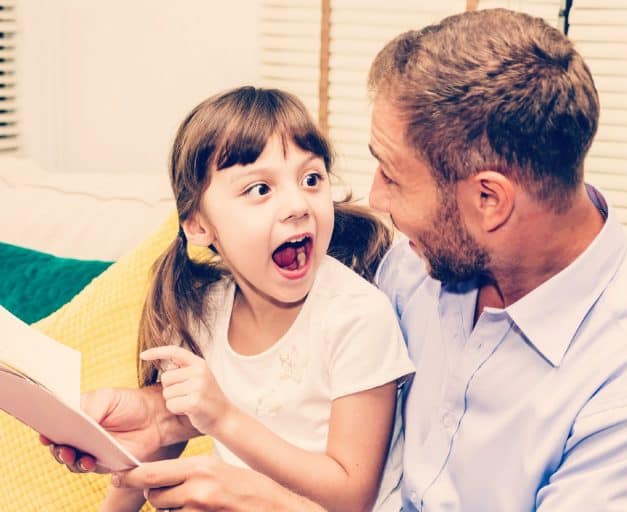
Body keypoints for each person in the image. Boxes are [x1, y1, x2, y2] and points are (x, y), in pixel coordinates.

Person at [46, 8, 627, 511]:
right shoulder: (418, 267)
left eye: (393, 176)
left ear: (488, 199)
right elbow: (304, 387)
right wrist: (163, 419)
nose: (370, 200)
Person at [44, 85, 414, 512]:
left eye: (311, 179)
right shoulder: (203, 311)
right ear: (199, 226)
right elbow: (162, 447)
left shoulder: (358, 316)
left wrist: (224, 418)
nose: (298, 204)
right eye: (260, 190)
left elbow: (351, 496)